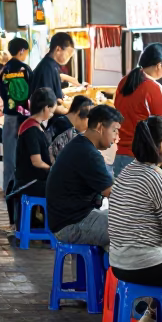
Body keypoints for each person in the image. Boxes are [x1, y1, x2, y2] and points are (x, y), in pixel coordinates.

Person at [108, 115, 162, 299]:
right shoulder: (154, 177)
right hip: (144, 264)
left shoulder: (127, 171)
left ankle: (152, 315)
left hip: (119, 263)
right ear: (161, 145)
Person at [45, 104, 121, 249]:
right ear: (100, 127)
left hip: (66, 220)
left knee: (124, 224)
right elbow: (113, 194)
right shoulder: (88, 153)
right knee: (134, 228)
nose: (117, 137)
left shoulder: (80, 144)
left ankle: (105, 270)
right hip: (71, 225)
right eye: (114, 130)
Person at [113, 43, 162, 175]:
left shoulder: (124, 82)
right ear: (158, 66)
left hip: (120, 156)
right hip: (142, 160)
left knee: (123, 196)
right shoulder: (154, 88)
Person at [11, 87, 57, 221]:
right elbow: (36, 161)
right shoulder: (31, 130)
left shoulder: (33, 125)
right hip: (30, 182)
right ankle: (55, 229)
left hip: (32, 179)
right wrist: (52, 169)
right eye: (52, 111)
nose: (52, 114)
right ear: (46, 108)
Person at [0, 38, 32, 201]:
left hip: (10, 116)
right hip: (25, 118)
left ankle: (8, 191)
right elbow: (31, 92)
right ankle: (22, 191)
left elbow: (1, 91)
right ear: (21, 51)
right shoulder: (25, 69)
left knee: (9, 157)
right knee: (25, 157)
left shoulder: (5, 70)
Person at [31, 32, 76, 115]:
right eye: (69, 54)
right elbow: (46, 104)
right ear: (58, 49)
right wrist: (70, 112)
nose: (69, 58)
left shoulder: (52, 65)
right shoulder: (46, 68)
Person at [48, 94, 93, 163]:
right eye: (88, 119)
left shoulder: (59, 119)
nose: (88, 125)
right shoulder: (66, 130)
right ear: (78, 112)